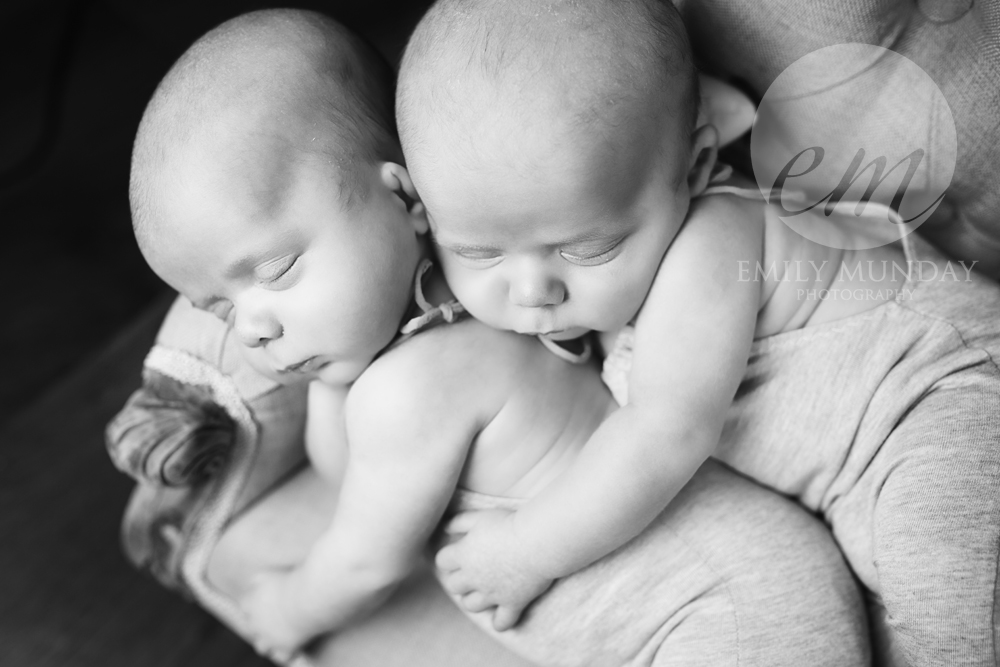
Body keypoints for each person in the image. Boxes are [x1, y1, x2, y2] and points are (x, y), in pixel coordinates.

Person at [128, 8, 871, 666]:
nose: (253, 327)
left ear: (406, 196)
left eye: (278, 268)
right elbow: (346, 472)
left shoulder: (417, 380)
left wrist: (286, 608)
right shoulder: (471, 299)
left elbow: (363, 560)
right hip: (740, 578)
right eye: (219, 310)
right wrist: (327, 373)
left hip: (722, 610)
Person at [396, 1, 1000, 665]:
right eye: (480, 252)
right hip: (852, 481)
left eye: (588, 247)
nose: (533, 289)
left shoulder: (710, 241)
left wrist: (527, 548)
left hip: (940, 399)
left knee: (950, 616)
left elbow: (664, 431)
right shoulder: (585, 276)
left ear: (694, 168)